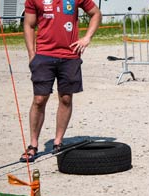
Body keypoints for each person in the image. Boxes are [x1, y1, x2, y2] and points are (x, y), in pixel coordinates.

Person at [21, 0, 101, 162]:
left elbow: (96, 14)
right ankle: (33, 145)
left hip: (70, 56)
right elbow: (29, 25)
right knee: (39, 99)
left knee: (65, 98)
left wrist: (87, 38)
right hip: (44, 55)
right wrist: (31, 54)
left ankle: (58, 141)